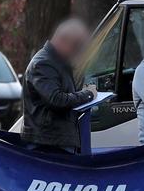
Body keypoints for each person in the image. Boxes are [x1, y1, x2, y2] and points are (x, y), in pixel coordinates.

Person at [21, 19, 96, 154]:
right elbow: (56, 99)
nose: (78, 52)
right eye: (76, 46)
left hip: (54, 140)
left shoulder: (56, 62)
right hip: (48, 143)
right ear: (63, 41)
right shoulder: (43, 64)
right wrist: (87, 94)